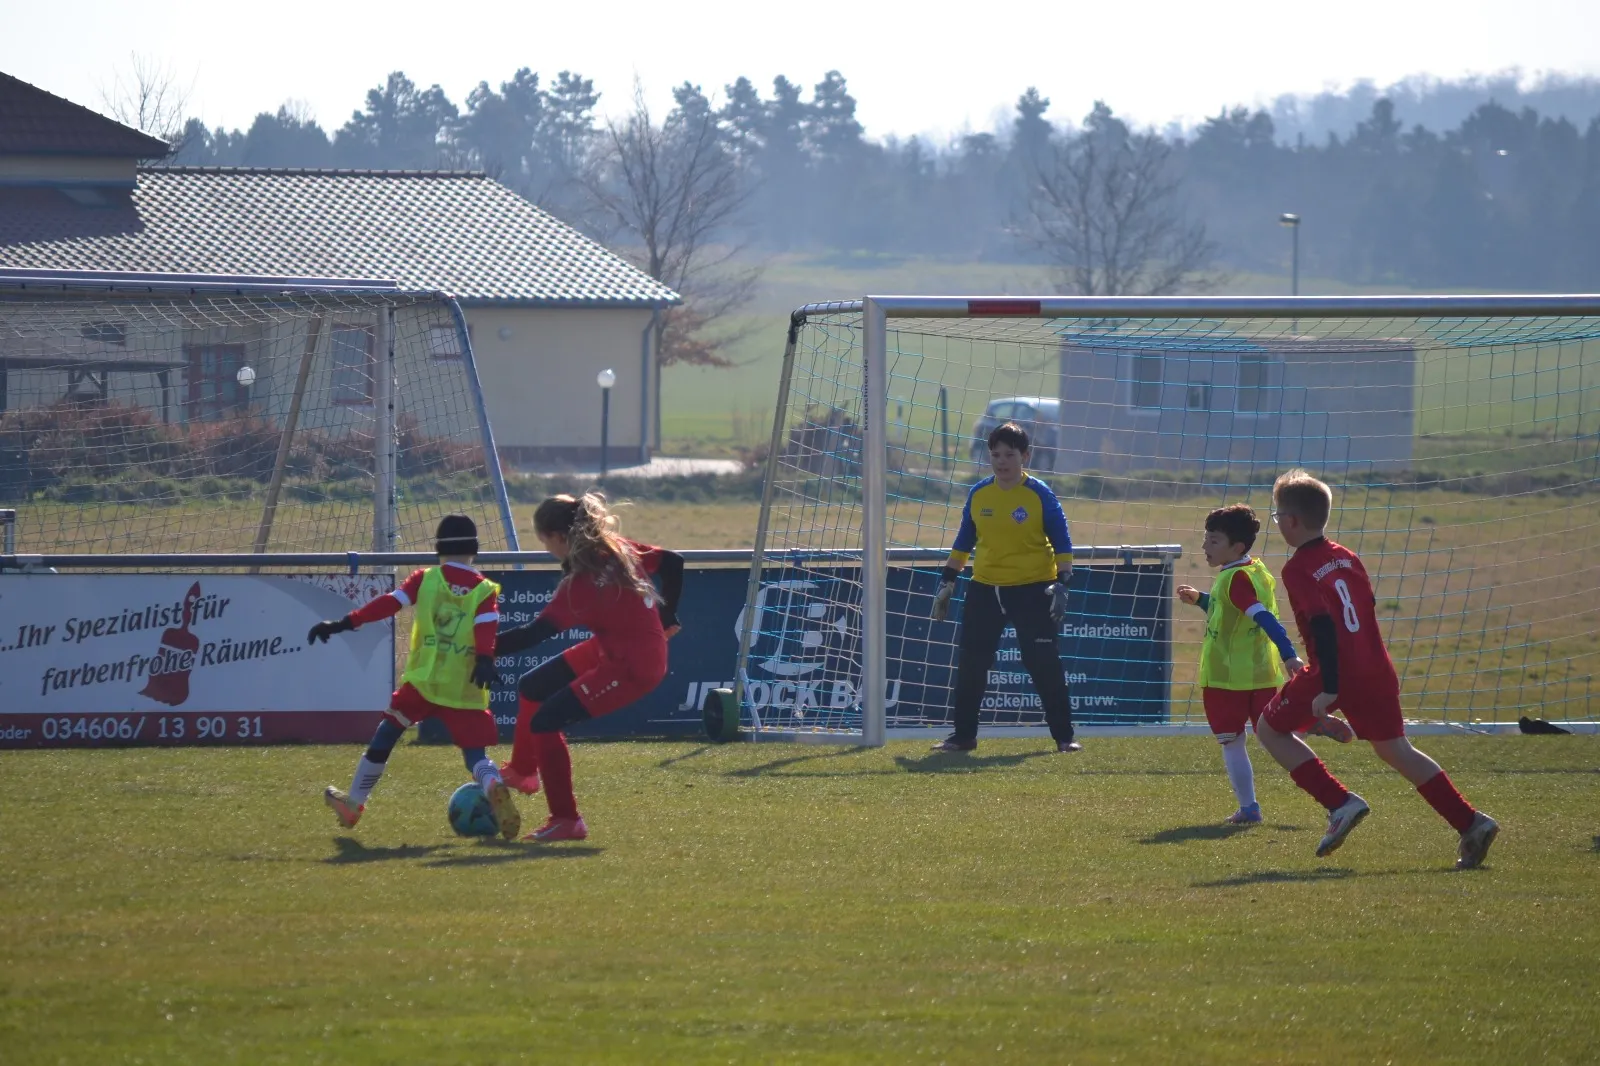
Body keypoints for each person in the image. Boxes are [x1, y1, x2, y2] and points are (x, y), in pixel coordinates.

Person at [1254, 469, 1499, 869]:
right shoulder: (1347, 556)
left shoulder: (1297, 568)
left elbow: (1322, 625)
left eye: (1278, 516)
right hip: (1375, 667)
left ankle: (1339, 802)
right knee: (1396, 750)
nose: (1278, 522)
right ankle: (1471, 822)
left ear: (1292, 521)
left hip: (1333, 671)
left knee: (1269, 728)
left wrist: (1330, 687)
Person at [307, 513, 521, 840]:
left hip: (424, 682)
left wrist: (344, 623)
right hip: (463, 684)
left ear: (438, 549)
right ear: (475, 550)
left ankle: (354, 803)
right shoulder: (484, 590)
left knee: (387, 733)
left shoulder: (426, 579)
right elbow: (486, 627)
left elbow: (388, 604)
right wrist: (484, 660)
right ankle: (492, 784)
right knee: (475, 755)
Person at [495, 493, 683, 841]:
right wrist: (667, 614)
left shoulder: (581, 584)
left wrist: (476, 649)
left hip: (633, 667)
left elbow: (533, 634)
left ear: (558, 537)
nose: (547, 550)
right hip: (615, 648)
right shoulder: (616, 547)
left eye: (545, 542)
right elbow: (674, 562)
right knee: (533, 687)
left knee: (546, 723)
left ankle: (567, 820)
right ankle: (523, 770)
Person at [1176, 504, 1353, 826]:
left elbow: (1263, 617)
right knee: (1274, 733)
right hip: (1261, 674)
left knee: (1232, 742)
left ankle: (1249, 808)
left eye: (1213, 540)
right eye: (1206, 538)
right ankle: (1306, 725)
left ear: (1237, 547)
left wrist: (1289, 653)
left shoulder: (1234, 579)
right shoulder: (1255, 570)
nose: (1204, 546)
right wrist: (1202, 600)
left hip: (1226, 678)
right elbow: (1234, 612)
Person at [930, 421, 1078, 753]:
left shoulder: (1039, 494)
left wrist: (1063, 583)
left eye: (1009, 455)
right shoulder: (979, 493)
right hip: (985, 589)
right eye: (995, 455)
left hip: (1034, 590)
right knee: (972, 664)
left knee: (1042, 663)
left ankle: (1064, 737)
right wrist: (948, 580)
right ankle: (963, 736)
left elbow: (1062, 542)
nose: (1001, 461)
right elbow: (964, 541)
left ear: (1025, 456)